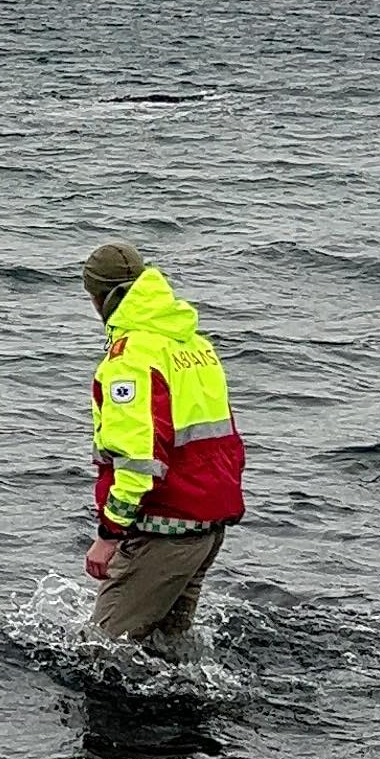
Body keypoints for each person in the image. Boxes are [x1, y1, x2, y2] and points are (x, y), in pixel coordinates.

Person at [80, 241, 245, 645]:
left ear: (106, 298)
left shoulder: (131, 359)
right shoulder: (195, 345)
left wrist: (108, 535)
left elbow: (138, 462)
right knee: (168, 648)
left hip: (165, 529)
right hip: (206, 525)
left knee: (101, 648)